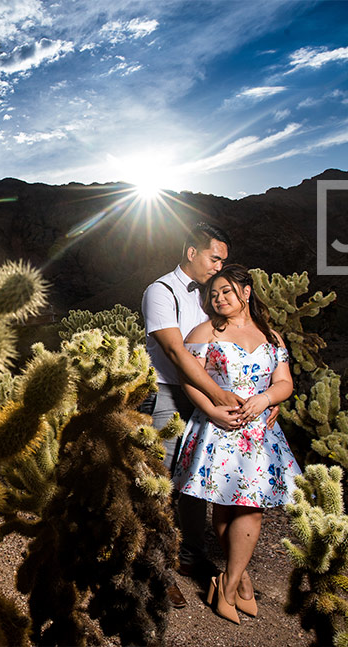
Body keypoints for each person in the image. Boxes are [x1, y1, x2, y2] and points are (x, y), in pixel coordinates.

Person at [174, 264, 300, 624]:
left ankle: (226, 586)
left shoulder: (271, 336)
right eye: (213, 294)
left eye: (226, 291)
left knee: (251, 506)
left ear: (246, 292)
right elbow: (190, 379)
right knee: (225, 506)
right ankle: (239, 580)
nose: (219, 298)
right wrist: (212, 410)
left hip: (258, 431)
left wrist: (266, 400)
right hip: (218, 426)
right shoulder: (205, 332)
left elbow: (284, 382)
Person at [140, 221, 241, 608]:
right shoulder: (160, 291)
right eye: (215, 258)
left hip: (203, 398)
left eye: (223, 261)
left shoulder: (210, 296)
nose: (219, 267)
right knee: (161, 483)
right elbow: (177, 353)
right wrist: (217, 398)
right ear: (192, 252)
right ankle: (155, 569)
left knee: (195, 480)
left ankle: (190, 557)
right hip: (168, 394)